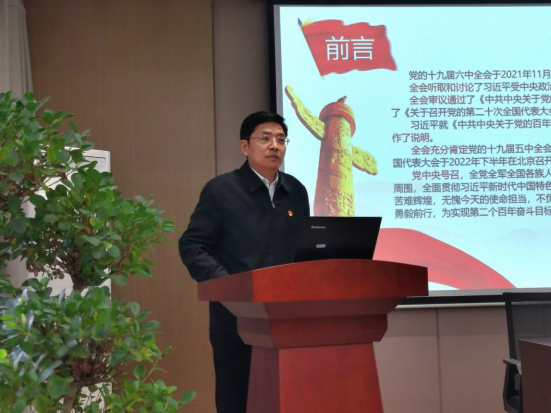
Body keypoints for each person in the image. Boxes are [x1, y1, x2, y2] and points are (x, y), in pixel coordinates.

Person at [178, 112, 310, 413]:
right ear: (244, 146)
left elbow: (303, 249)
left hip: (287, 316)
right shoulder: (222, 190)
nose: (274, 145)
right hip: (236, 317)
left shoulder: (296, 191)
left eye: (280, 139)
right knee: (238, 400)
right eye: (265, 138)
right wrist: (229, 286)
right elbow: (193, 245)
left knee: (286, 399)